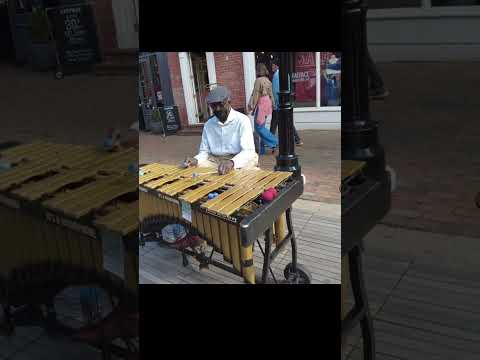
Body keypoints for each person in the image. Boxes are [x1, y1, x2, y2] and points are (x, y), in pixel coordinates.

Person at [183, 85, 258, 175]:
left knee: (248, 171)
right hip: (215, 162)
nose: (218, 109)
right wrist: (196, 159)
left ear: (229, 102)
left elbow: (248, 151)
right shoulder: (208, 125)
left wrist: (232, 163)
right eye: (214, 106)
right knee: (192, 170)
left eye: (221, 104)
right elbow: (204, 152)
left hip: (238, 159)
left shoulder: (243, 120)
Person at [246, 63, 279, 155]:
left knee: (259, 128)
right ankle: (262, 150)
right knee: (261, 127)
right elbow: (271, 94)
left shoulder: (258, 81)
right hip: (267, 104)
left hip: (261, 104)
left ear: (258, 70)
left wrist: (251, 106)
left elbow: (255, 94)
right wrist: (273, 104)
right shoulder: (268, 80)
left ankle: (274, 142)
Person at [270, 59, 303, 146]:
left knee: (274, 123)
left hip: (279, 104)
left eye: (273, 66)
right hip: (285, 102)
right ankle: (297, 140)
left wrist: (275, 103)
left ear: (277, 66)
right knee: (288, 122)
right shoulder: (285, 74)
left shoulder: (277, 75)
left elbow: (276, 91)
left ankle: (269, 141)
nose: (272, 67)